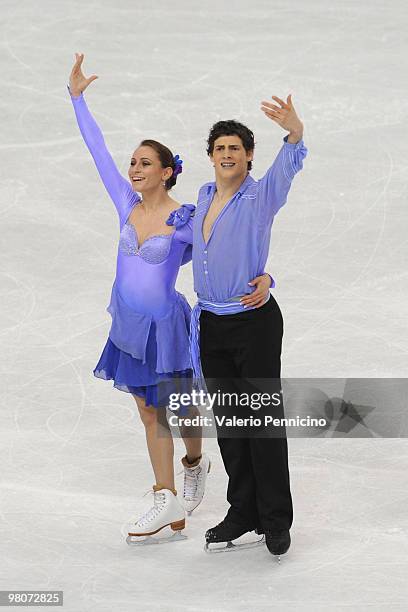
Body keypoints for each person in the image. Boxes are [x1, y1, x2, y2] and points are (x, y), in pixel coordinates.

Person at [67, 53, 272, 544]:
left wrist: (266, 276)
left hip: (165, 327)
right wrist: (76, 99)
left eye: (144, 163)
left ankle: (194, 463)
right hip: (129, 323)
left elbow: (229, 246)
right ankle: (166, 499)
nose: (133, 168)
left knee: (177, 409)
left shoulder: (185, 219)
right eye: (132, 162)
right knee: (146, 409)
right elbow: (96, 151)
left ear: (165, 172)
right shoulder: (125, 203)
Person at [190, 94, 308, 557]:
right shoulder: (201, 197)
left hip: (254, 323)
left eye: (235, 148)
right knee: (231, 426)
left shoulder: (260, 196)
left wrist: (295, 133)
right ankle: (243, 513)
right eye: (220, 148)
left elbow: (287, 168)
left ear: (249, 155)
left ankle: (275, 520)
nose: (227, 155)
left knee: (261, 422)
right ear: (211, 156)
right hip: (212, 327)